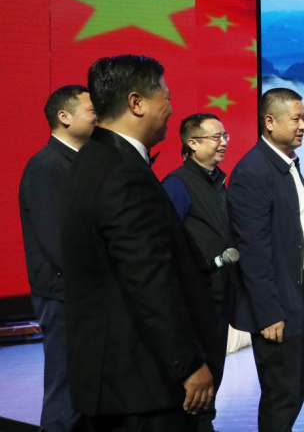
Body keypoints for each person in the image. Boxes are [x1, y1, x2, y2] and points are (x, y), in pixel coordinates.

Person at [60, 55, 220, 431]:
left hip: (118, 379)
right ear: (136, 103)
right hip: (142, 385)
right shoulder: (122, 172)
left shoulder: (93, 159)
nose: (171, 108)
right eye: (166, 97)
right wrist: (188, 363)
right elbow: (148, 279)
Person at [228, 88, 304, 432]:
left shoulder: (286, 163)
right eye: (296, 118)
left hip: (303, 288)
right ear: (269, 122)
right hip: (278, 299)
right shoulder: (253, 171)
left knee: (297, 384)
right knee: (281, 392)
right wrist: (269, 312)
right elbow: (253, 252)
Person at [18, 85, 96, 432]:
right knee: (66, 392)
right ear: (64, 117)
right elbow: (57, 241)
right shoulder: (45, 166)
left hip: (87, 292)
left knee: (89, 390)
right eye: (91, 110)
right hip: (64, 295)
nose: (98, 117)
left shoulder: (83, 162)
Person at [162, 114, 234, 432]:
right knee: (198, 376)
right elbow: (166, 242)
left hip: (219, 296)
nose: (223, 142)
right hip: (195, 299)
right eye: (216, 137)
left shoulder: (217, 181)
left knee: (214, 370)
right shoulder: (177, 184)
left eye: (225, 136)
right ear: (192, 143)